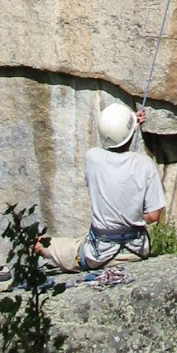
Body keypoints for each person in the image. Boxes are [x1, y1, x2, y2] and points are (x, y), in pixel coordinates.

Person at [36, 102, 165, 273]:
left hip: (98, 254)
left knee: (42, 243)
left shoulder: (93, 158)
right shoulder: (146, 164)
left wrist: (128, 126)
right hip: (137, 250)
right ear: (130, 133)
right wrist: (132, 216)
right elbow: (154, 215)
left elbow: (113, 139)